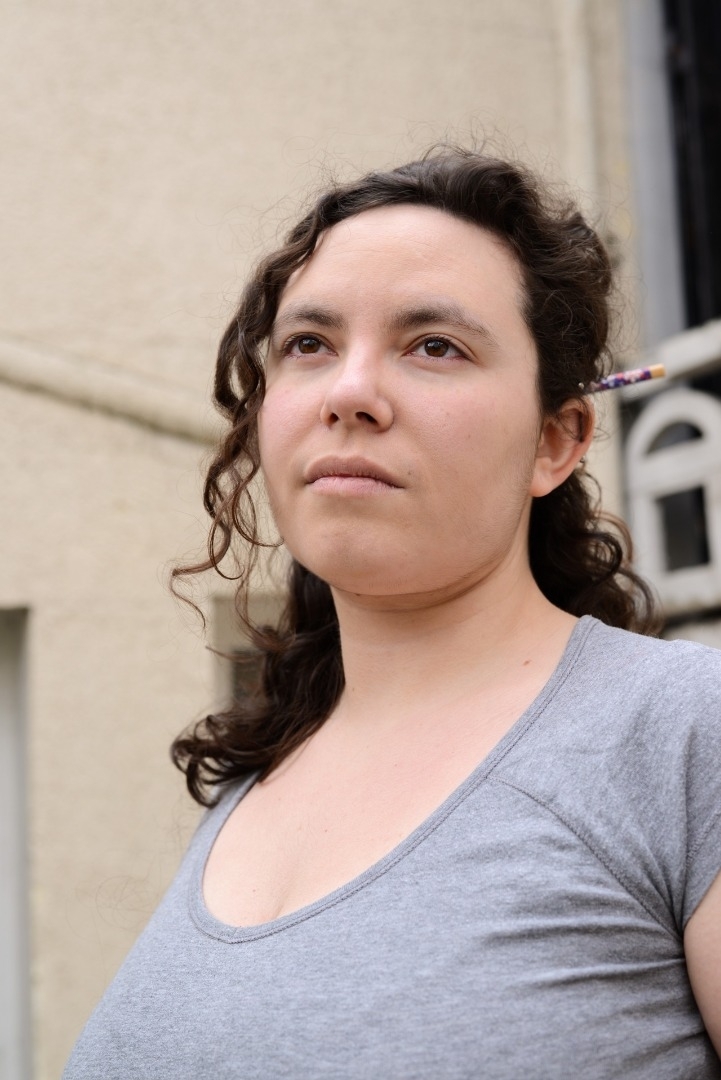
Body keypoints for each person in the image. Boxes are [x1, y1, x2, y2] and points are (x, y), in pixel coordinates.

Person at [64, 147, 721, 1078]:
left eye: (434, 346)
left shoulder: (687, 730)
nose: (349, 394)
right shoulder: (254, 781)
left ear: (554, 441)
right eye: (308, 344)